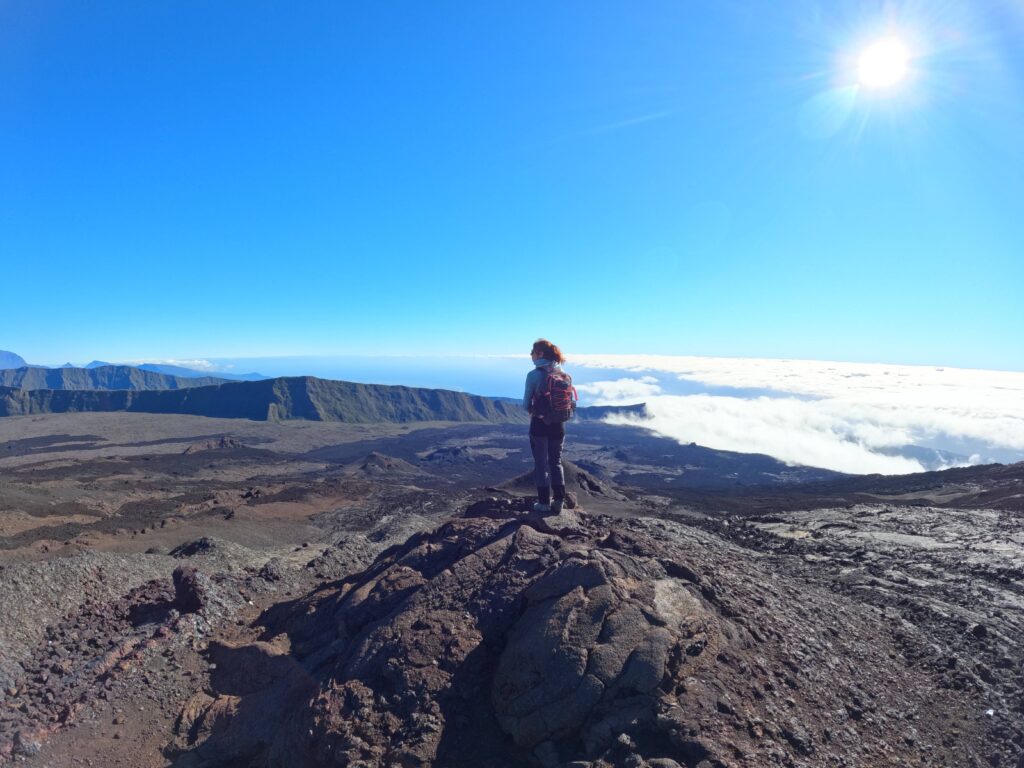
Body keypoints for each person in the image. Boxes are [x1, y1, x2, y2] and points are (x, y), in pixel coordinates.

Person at [524, 338, 570, 513]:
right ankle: (559, 501)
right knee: (556, 462)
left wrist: (535, 412)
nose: (531, 355)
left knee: (541, 464)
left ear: (540, 353)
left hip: (539, 425)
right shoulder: (562, 373)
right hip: (558, 425)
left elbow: (525, 403)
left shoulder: (534, 375)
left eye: (532, 352)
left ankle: (544, 503)